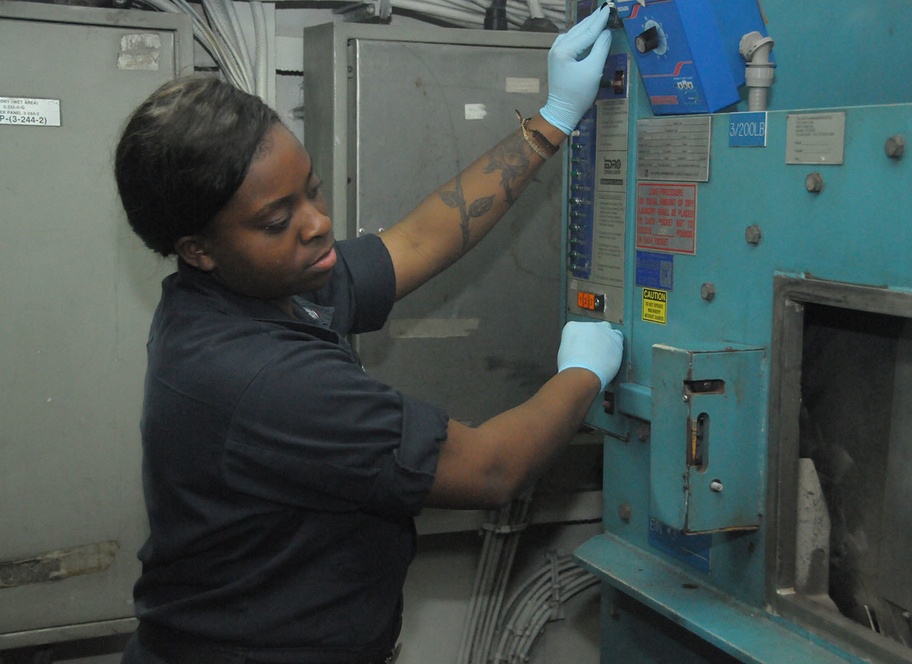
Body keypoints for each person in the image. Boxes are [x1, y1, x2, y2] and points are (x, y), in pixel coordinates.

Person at [116, 5, 620, 664]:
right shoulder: (263, 380)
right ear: (197, 247)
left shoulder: (254, 288)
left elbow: (413, 240)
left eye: (312, 191)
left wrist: (550, 122)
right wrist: (585, 373)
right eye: (277, 219)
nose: (317, 224)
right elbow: (492, 469)